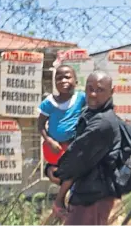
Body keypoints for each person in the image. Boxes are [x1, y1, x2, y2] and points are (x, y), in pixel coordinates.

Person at [53, 71, 122, 225]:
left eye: (100, 90)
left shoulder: (102, 123)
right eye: (89, 88)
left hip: (93, 197)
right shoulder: (90, 114)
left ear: (111, 92)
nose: (93, 94)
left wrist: (59, 198)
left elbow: (76, 160)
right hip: (87, 193)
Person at [37, 65, 86, 218]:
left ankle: (66, 204)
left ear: (76, 81)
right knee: (61, 175)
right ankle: (60, 204)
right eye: (59, 78)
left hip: (73, 145)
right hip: (54, 148)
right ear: (55, 82)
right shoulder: (49, 102)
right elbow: (40, 125)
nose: (63, 80)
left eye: (67, 77)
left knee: (73, 174)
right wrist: (49, 140)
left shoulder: (81, 98)